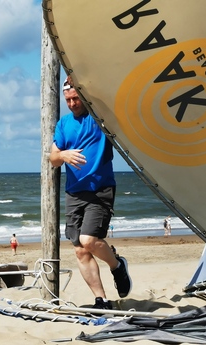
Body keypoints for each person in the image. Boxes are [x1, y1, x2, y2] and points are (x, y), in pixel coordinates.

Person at [49, 76, 132, 310]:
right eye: (68, 100)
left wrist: (81, 75)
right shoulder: (64, 124)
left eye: (76, 98)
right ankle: (102, 300)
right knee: (79, 249)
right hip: (74, 193)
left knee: (89, 240)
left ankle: (117, 266)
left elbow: (106, 90)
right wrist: (62, 155)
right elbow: (52, 158)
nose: (73, 103)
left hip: (100, 189)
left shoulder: (98, 117)